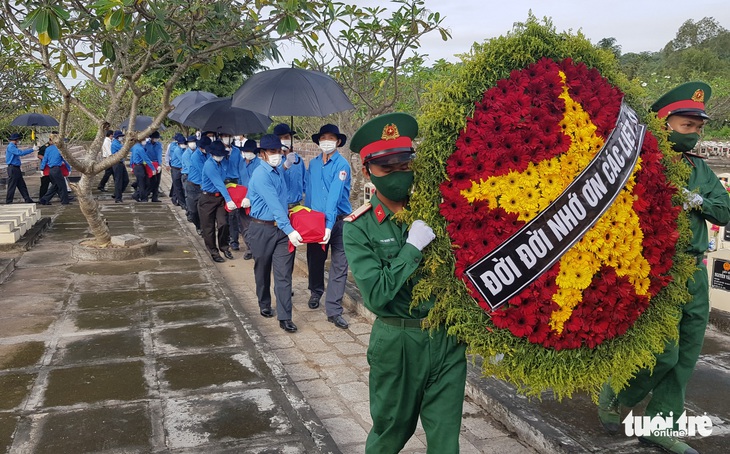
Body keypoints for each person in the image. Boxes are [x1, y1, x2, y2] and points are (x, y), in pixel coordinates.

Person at [597, 82, 730, 454]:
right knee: (663, 352)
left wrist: (697, 199)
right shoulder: (640, 163)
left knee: (686, 354)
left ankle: (660, 425)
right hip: (656, 272)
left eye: (697, 127)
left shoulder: (699, 168)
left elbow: (724, 209)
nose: (694, 133)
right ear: (663, 123)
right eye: (686, 126)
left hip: (694, 269)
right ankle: (615, 393)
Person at [343, 113, 467, 453]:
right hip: (398, 342)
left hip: (446, 338)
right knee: (390, 434)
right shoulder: (359, 228)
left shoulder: (435, 211)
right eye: (387, 168)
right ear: (367, 171)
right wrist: (411, 248)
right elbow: (378, 295)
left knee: (446, 440)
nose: (399, 176)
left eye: (404, 166)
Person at [246, 134, 302, 333]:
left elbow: (283, 198)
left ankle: (285, 316)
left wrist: (287, 165)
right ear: (262, 154)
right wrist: (291, 231)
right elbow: (274, 204)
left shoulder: (277, 171)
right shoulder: (261, 175)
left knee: (283, 274)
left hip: (281, 230)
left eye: (279, 151)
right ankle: (263, 302)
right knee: (262, 269)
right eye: (272, 152)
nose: (277, 155)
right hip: (262, 228)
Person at [304, 124, 351, 329]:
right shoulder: (313, 165)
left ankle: (333, 310)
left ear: (338, 141)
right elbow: (310, 192)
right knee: (315, 260)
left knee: (339, 266)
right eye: (323, 137)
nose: (327, 141)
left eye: (331, 138)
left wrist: (329, 225)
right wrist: (306, 218)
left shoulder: (342, 166)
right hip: (315, 221)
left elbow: (334, 197)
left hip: (339, 221)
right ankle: (316, 292)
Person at [199, 140, 235, 263]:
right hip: (207, 198)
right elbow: (219, 183)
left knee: (223, 223)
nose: (221, 156)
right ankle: (213, 252)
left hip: (219, 198)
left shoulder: (222, 163)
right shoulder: (209, 165)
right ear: (212, 153)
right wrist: (229, 199)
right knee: (208, 228)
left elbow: (227, 177)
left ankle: (224, 247)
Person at [274, 123, 306, 207]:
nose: (283, 140)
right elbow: (272, 178)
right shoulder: (273, 160)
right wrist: (284, 166)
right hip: (280, 205)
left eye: (286, 137)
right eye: (280, 138)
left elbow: (305, 182)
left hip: (297, 205)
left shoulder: (298, 160)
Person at [238, 139, 260, 260]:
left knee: (254, 224)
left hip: (255, 199)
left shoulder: (259, 164)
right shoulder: (241, 163)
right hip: (242, 198)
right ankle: (249, 247)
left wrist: (249, 197)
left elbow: (256, 183)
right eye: (246, 151)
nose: (248, 153)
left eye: (250, 151)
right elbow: (240, 180)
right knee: (244, 225)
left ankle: (256, 248)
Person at [186, 136, 211, 235]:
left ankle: (204, 228)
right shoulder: (195, 156)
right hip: (193, 186)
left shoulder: (208, 154)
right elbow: (203, 171)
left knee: (203, 210)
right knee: (193, 211)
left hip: (203, 186)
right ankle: (198, 226)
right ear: (200, 147)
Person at [38, 133, 72, 205]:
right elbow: (65, 159)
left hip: (50, 170)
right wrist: (69, 169)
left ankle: (44, 199)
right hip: (57, 169)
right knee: (62, 186)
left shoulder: (48, 149)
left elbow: (45, 159)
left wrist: (42, 169)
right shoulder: (60, 149)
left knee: (56, 185)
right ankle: (65, 201)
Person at [5, 132, 37, 204]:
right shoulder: (11, 147)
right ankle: (9, 201)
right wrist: (32, 149)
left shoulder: (13, 146)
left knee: (21, 184)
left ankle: (27, 198)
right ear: (16, 140)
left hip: (16, 168)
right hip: (12, 168)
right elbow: (20, 153)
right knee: (12, 185)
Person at [110, 130, 130, 203]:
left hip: (121, 163)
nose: (122, 138)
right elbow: (124, 149)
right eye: (121, 136)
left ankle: (117, 193)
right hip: (117, 163)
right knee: (119, 181)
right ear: (117, 137)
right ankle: (118, 198)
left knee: (126, 180)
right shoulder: (115, 143)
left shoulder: (118, 143)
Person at [36, 132, 57, 199]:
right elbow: (39, 155)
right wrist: (47, 159)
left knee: (57, 183)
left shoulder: (56, 146)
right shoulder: (45, 147)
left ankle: (64, 196)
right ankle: (42, 198)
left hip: (52, 167)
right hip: (46, 167)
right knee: (45, 184)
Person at [168, 133, 187, 209]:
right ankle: (182, 204)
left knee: (180, 187)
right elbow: (183, 160)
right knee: (178, 187)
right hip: (176, 169)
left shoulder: (183, 149)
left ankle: (176, 199)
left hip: (180, 169)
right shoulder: (177, 150)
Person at [129, 136, 150, 202]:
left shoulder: (135, 147)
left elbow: (132, 157)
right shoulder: (140, 149)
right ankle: (142, 197)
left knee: (142, 182)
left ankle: (137, 194)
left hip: (136, 166)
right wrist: (153, 169)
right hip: (139, 167)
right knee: (142, 183)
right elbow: (146, 159)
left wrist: (131, 166)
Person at [145, 131, 163, 202]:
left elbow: (159, 154)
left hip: (157, 163)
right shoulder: (146, 144)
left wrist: (160, 164)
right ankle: (145, 194)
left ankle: (155, 197)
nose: (156, 139)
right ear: (151, 138)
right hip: (149, 164)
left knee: (157, 181)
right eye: (155, 138)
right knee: (150, 181)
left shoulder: (159, 145)